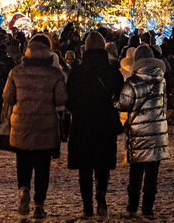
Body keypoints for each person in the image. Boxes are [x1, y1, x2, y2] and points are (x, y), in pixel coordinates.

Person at [4, 34, 68, 218]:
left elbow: (8, 98)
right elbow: (61, 100)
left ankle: (23, 190)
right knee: (42, 169)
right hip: (45, 129)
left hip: (21, 126)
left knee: (23, 163)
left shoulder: (16, 72)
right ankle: (39, 204)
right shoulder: (54, 74)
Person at [66, 32, 124, 218]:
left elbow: (69, 99)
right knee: (102, 162)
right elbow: (119, 95)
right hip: (105, 122)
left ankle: (87, 205)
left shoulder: (77, 72)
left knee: (85, 167)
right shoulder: (111, 71)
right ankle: (101, 194)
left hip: (83, 122)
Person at [117, 47, 169, 219]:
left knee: (136, 171)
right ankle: (148, 207)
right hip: (157, 129)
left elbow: (124, 103)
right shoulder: (161, 80)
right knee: (152, 172)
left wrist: (114, 102)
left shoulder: (133, 81)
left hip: (138, 129)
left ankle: (132, 206)